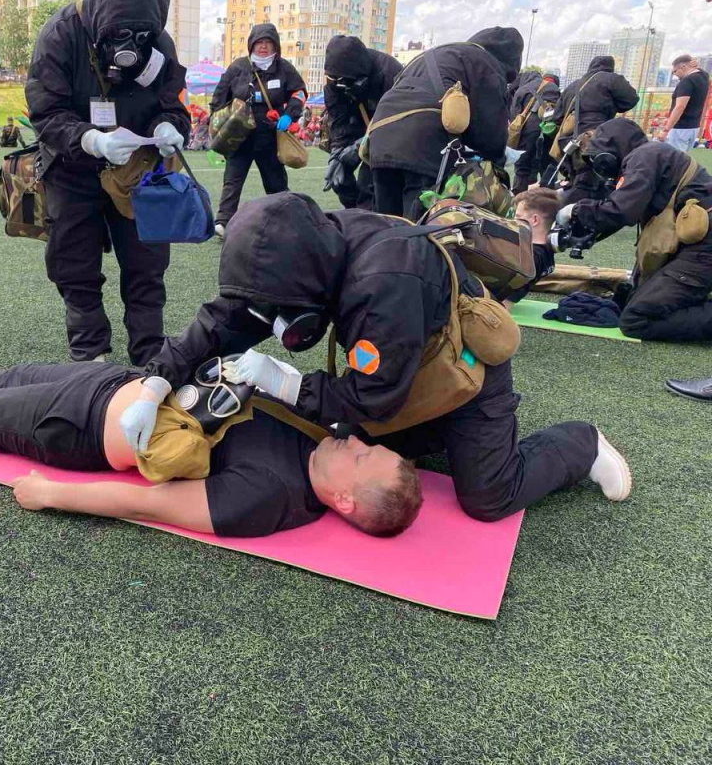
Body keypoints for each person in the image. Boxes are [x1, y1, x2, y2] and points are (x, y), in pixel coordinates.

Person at [120, 193, 632, 522]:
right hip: (403, 362)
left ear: (314, 280)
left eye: (284, 311)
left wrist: (289, 384)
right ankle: (438, 438)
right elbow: (224, 319)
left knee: (488, 497)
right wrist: (156, 383)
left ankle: (580, 445)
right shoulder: (300, 246)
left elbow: (375, 397)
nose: (275, 323)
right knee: (354, 444)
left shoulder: (384, 286)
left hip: (464, 371)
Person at [0, 325, 422, 539]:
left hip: (77, 431)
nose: (355, 440)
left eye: (364, 455)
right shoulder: (318, 437)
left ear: (343, 500)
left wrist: (55, 494)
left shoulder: (268, 499)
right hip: (132, 386)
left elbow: (149, 502)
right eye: (369, 443)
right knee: (12, 376)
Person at [25, 0, 191, 365]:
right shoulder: (60, 35)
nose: (129, 45)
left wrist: (170, 126)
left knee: (147, 263)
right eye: (117, 34)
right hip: (71, 168)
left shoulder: (159, 42)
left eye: (140, 34)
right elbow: (45, 110)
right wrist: (90, 139)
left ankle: (150, 351)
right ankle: (90, 353)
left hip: (137, 168)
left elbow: (174, 104)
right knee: (74, 263)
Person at [559, 118, 712, 342]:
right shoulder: (650, 155)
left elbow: (621, 210)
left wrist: (573, 211)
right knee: (634, 300)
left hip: (704, 248)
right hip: (698, 246)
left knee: (636, 318)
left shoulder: (644, 156)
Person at [365, 28, 524, 220]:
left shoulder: (435, 55)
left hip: (381, 140)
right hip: (424, 146)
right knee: (419, 231)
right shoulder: (485, 64)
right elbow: (489, 133)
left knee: (387, 224)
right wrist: (497, 166)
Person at [209, 24, 307, 236]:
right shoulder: (237, 67)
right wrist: (218, 125)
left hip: (270, 135)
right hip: (239, 136)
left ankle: (286, 220)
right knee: (232, 180)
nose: (263, 47)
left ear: (275, 46)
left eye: (268, 43)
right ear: (251, 44)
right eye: (259, 42)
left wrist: (290, 114)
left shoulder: (284, 68)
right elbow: (218, 100)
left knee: (275, 181)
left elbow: (299, 92)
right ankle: (223, 222)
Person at [322, 35, 401, 211]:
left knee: (373, 184)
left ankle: (373, 220)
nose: (338, 84)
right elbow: (339, 121)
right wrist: (336, 155)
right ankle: (354, 214)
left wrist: (360, 146)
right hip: (361, 125)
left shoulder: (390, 73)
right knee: (340, 179)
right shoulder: (335, 79)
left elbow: (395, 120)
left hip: (393, 134)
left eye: (343, 80)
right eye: (335, 80)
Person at [548, 56, 638, 203]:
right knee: (589, 185)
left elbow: (557, 116)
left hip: (568, 140)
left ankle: (564, 215)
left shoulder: (573, 85)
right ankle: (576, 215)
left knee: (577, 180)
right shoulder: (611, 79)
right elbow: (631, 99)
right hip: (596, 138)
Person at [509, 70, 560, 194]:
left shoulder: (523, 89)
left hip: (527, 134)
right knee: (548, 167)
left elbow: (514, 115)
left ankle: (519, 199)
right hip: (549, 132)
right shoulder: (553, 87)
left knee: (523, 168)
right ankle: (547, 198)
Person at [505, 187, 559, 303]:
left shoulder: (528, 260)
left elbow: (504, 304)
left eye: (518, 217)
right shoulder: (546, 252)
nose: (514, 220)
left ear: (534, 220)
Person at [658, 55, 710, 153]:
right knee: (683, 159)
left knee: (673, 160)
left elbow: (680, 107)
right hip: (693, 127)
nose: (675, 74)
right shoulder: (704, 77)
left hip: (680, 128)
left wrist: (666, 130)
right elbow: (701, 70)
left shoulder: (687, 81)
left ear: (684, 67)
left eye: (675, 71)